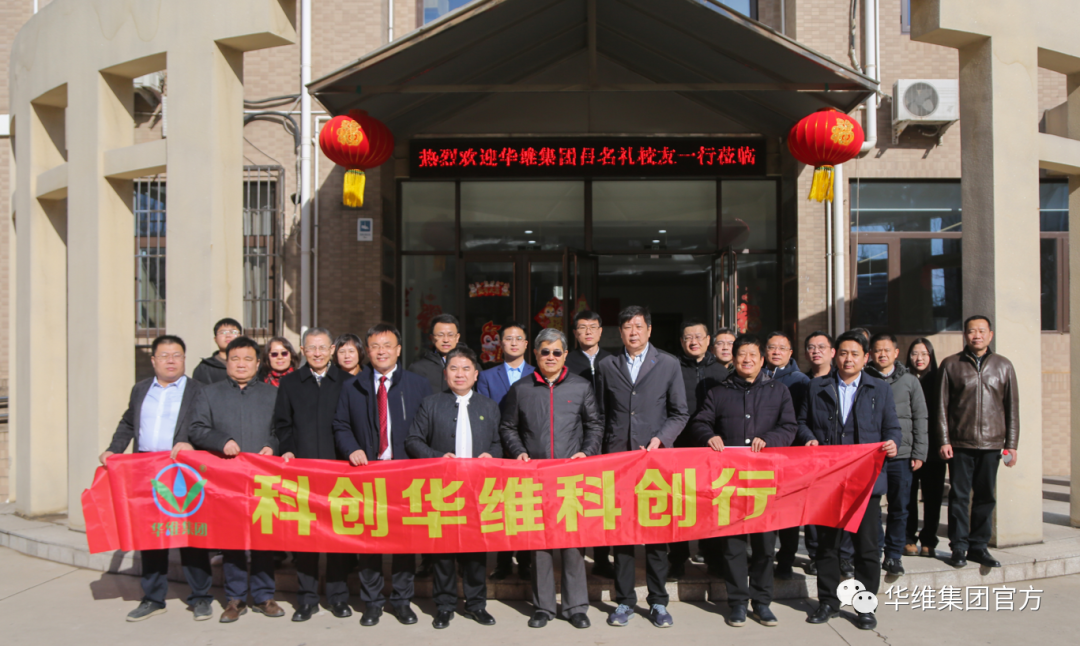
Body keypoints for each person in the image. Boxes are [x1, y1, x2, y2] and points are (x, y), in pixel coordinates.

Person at [99, 335, 212, 623]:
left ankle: (201, 597)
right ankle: (153, 598)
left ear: (184, 359)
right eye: (164, 355)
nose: (171, 360)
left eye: (177, 355)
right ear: (153, 360)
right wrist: (114, 449)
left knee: (190, 535)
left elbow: (207, 427)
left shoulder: (199, 390)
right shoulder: (140, 389)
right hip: (145, 471)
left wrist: (191, 444)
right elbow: (128, 423)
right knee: (150, 536)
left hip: (183, 471)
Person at [689, 334, 796, 628]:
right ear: (733, 359)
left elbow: (789, 426)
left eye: (752, 355)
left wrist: (771, 439)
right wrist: (709, 436)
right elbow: (700, 422)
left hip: (765, 481)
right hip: (730, 482)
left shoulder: (779, 391)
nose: (747, 360)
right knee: (733, 546)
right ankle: (737, 603)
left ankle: (762, 603)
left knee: (764, 546)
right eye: (741, 355)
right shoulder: (718, 392)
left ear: (762, 360)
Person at [500, 328, 603, 630]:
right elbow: (508, 427)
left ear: (565, 355)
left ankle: (575, 607)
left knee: (573, 545)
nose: (550, 357)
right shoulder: (521, 389)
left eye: (557, 352)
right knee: (540, 544)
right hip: (535, 478)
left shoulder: (581, 386)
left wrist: (586, 452)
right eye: (545, 351)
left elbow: (595, 424)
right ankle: (543, 607)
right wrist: (519, 452)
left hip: (571, 478)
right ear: (535, 354)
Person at [334, 323, 432, 627]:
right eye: (375, 346)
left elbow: (427, 428)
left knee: (404, 542)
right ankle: (373, 603)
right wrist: (352, 448)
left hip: (405, 474)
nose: (381, 351)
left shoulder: (418, 385)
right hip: (367, 475)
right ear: (367, 351)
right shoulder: (353, 386)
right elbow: (341, 424)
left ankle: (402, 601)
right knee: (370, 543)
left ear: (398, 350)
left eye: (387, 346)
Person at [800, 332, 900, 631]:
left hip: (865, 481)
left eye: (855, 354)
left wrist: (893, 443)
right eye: (843, 353)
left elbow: (892, 427)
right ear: (834, 355)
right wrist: (808, 439)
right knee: (827, 546)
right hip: (827, 480)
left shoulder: (879, 389)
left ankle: (865, 606)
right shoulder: (817, 387)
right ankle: (828, 602)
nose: (848, 359)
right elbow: (802, 423)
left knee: (866, 548)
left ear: (865, 358)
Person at [596, 305, 688, 629]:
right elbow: (601, 414)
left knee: (656, 536)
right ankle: (624, 601)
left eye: (638, 326)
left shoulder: (668, 363)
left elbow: (680, 412)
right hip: (618, 462)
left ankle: (658, 602)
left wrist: (661, 439)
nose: (633, 332)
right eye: (627, 327)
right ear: (619, 332)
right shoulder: (607, 365)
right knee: (622, 536)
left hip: (655, 463)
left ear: (649, 329)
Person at [187, 335, 283, 623]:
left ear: (258, 363)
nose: (241, 364)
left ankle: (264, 596)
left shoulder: (273, 394)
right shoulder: (209, 393)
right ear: (226, 362)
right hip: (225, 481)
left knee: (264, 539)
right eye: (235, 359)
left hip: (263, 479)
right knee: (232, 541)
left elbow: (282, 430)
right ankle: (235, 599)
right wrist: (222, 441)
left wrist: (272, 446)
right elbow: (197, 429)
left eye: (248, 359)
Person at [406, 347, 502, 629]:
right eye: (453, 368)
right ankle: (445, 605)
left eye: (465, 368)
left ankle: (476, 604)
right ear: (445, 373)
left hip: (477, 490)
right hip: (442, 489)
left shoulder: (489, 406)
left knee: (476, 550)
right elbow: (413, 440)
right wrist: (437, 457)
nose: (460, 374)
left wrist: (491, 455)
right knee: (443, 551)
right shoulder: (431, 404)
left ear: (475, 374)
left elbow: (498, 443)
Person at [272, 328, 352, 622]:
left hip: (339, 473)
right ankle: (306, 599)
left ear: (332, 350)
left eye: (322, 348)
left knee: (337, 538)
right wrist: (288, 450)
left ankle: (338, 597)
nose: (317, 353)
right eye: (311, 348)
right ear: (303, 351)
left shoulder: (347, 381)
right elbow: (283, 424)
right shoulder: (291, 383)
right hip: (302, 474)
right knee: (304, 538)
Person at [937, 315, 1019, 569]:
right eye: (972, 331)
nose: (977, 335)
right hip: (960, 443)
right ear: (965, 335)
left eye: (982, 331)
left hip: (992, 445)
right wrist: (944, 439)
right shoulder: (951, 364)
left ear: (990, 335)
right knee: (959, 497)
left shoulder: (1004, 365)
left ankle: (979, 547)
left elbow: (1012, 408)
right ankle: (958, 547)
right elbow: (941, 406)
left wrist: (1011, 444)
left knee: (985, 497)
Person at [669, 318, 729, 580]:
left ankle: (714, 558)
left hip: (712, 449)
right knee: (678, 504)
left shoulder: (722, 372)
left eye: (698, 337)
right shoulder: (671, 368)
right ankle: (677, 559)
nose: (693, 342)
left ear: (708, 340)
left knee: (711, 503)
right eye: (688, 337)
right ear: (682, 342)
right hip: (679, 446)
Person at [477, 321, 535, 581]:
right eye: (508, 338)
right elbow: (485, 413)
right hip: (499, 448)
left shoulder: (537, 372)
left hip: (529, 448)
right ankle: (502, 561)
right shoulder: (487, 376)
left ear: (526, 344)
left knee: (526, 505)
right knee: (500, 505)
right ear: (501, 343)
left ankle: (525, 561)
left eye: (518, 338)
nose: (513, 343)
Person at [866, 332, 928, 576]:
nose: (882, 354)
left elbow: (920, 418)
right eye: (877, 350)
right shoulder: (864, 378)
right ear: (870, 354)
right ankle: (876, 549)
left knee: (900, 507)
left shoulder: (910, 381)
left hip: (901, 455)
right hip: (872, 456)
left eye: (886, 350)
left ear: (896, 353)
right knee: (872, 507)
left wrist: (919, 452)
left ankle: (893, 555)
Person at [563, 310, 614, 578]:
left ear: (600, 331)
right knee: (579, 498)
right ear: (575, 333)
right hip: (577, 437)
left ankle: (602, 558)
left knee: (604, 500)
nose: (588, 332)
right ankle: (576, 558)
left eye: (593, 327)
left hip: (608, 437)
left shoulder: (612, 360)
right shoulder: (566, 360)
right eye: (582, 327)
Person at [800, 330, 853, 577]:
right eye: (811, 347)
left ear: (833, 352)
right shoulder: (807, 384)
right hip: (816, 458)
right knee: (816, 508)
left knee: (846, 508)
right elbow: (801, 421)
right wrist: (809, 438)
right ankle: (816, 554)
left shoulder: (849, 382)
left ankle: (845, 556)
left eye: (821, 347)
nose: (816, 351)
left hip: (846, 459)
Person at [765, 331, 812, 580]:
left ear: (791, 353)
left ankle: (786, 559)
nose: (776, 352)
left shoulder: (800, 381)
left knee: (788, 511)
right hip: (762, 455)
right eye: (772, 347)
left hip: (789, 455)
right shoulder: (756, 374)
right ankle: (763, 557)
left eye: (782, 348)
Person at [904, 338, 946, 558]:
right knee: (908, 496)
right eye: (914, 353)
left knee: (933, 497)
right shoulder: (903, 379)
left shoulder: (939, 380)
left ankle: (929, 539)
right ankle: (908, 538)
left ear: (931, 356)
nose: (919, 358)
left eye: (924, 354)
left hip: (934, 449)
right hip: (909, 448)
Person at [409, 313, 462, 394]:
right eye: (440, 335)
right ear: (432, 338)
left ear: (457, 337)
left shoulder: (471, 365)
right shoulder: (418, 369)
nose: (446, 340)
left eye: (450, 335)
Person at [192, 317, 242, 384]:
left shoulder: (250, 364)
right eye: (223, 332)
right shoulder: (205, 368)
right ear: (215, 339)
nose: (228, 335)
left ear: (241, 337)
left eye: (233, 332)